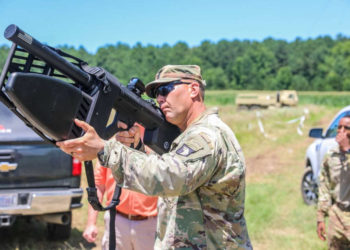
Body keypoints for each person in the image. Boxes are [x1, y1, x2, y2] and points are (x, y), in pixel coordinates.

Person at [57, 65, 252, 249]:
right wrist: (138, 149)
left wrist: (104, 150)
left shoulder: (206, 136)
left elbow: (170, 177)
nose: (159, 98)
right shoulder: (189, 136)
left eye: (166, 89)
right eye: (156, 94)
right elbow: (175, 174)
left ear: (193, 89)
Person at [83, 160, 158, 250]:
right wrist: (91, 223)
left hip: (148, 223)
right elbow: (98, 186)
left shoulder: (155, 148)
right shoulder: (108, 148)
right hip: (116, 220)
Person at [317, 115, 350, 249]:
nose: (341, 131)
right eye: (339, 127)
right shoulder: (331, 156)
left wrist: (347, 150)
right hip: (336, 215)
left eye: (346, 128)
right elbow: (324, 186)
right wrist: (320, 216)